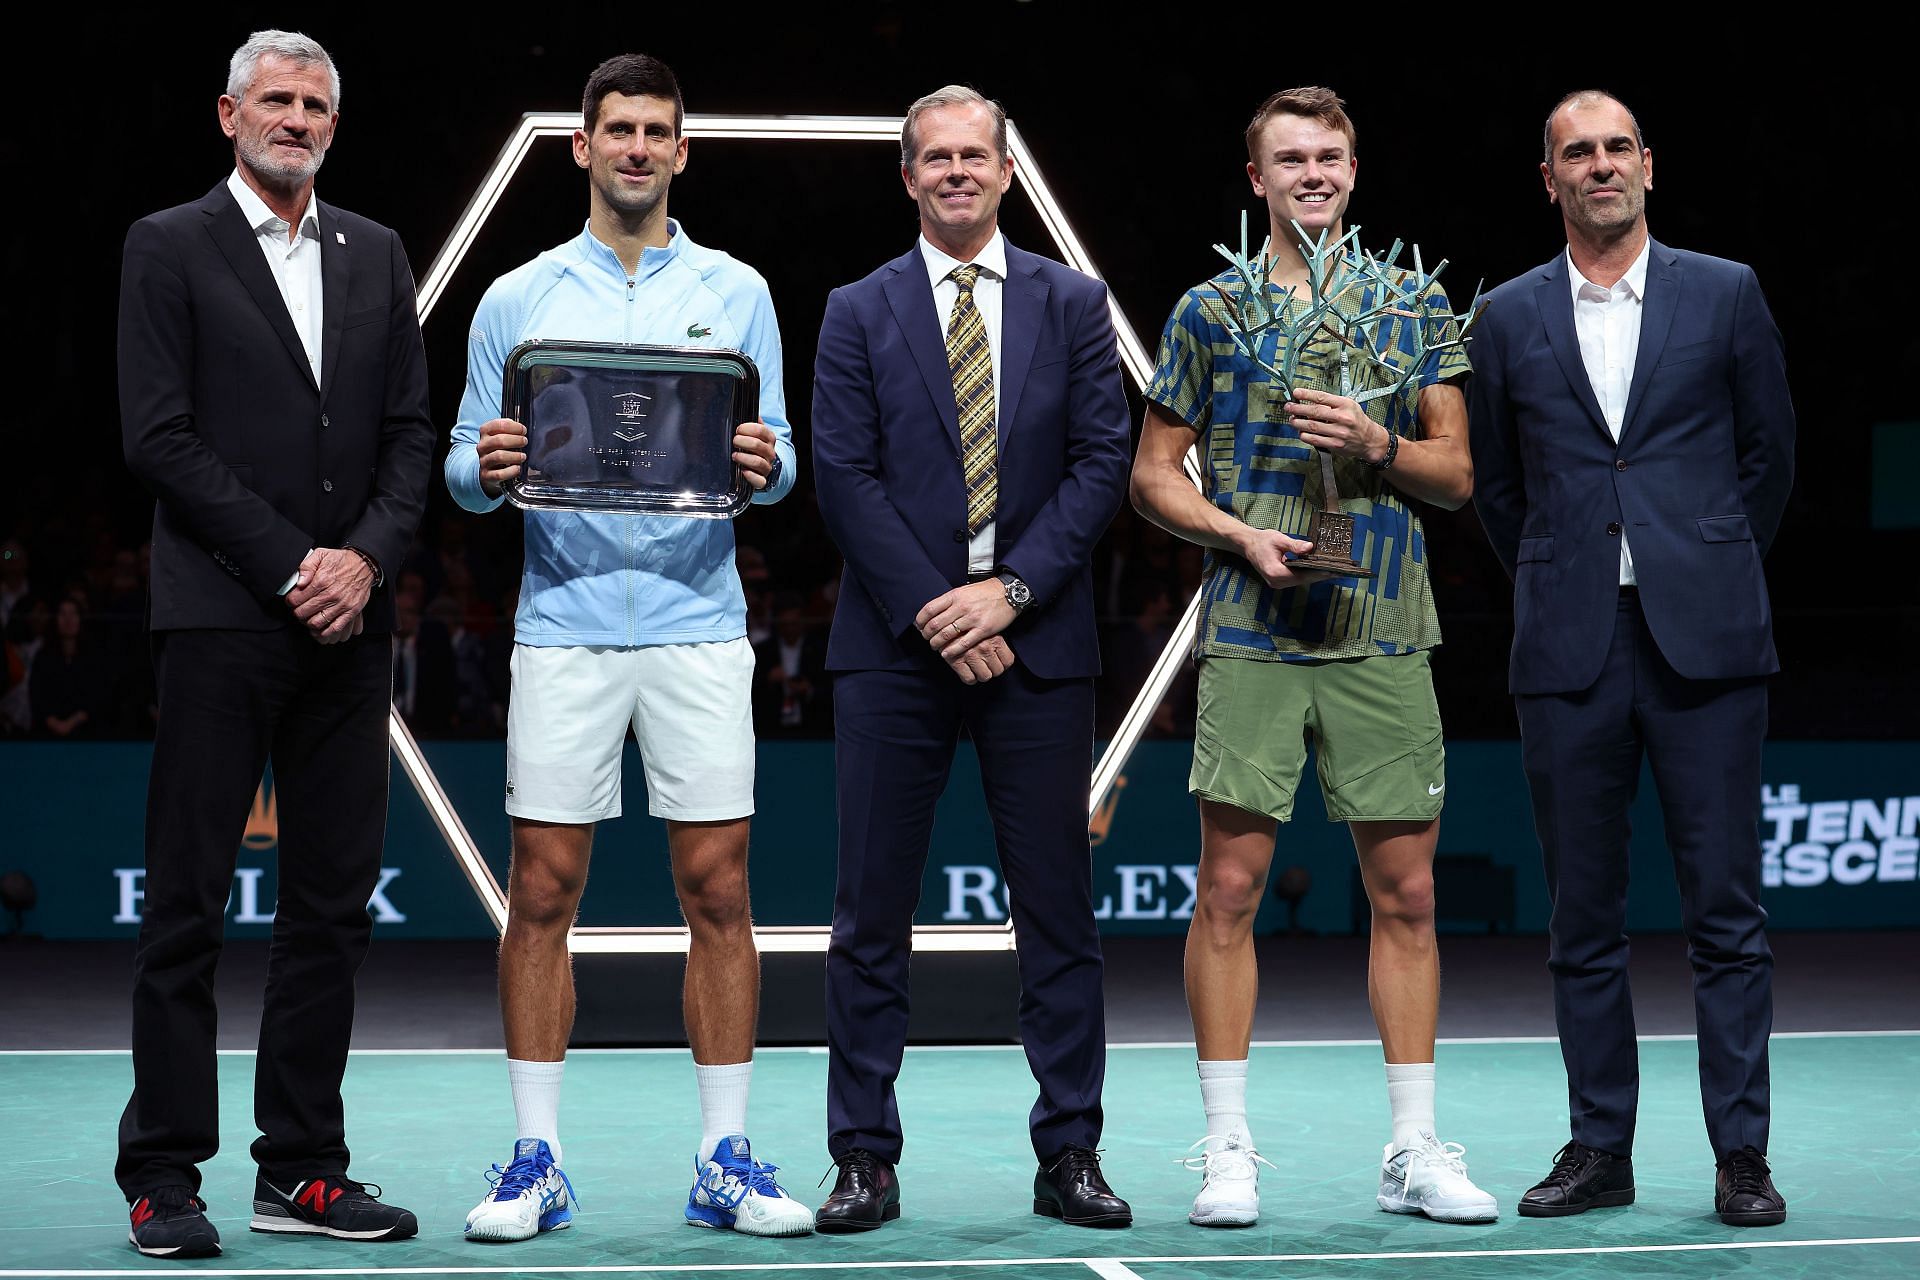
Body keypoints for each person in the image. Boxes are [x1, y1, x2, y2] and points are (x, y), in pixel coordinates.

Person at [445, 53, 808, 1243]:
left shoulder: (739, 287)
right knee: (542, 890)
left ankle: (723, 1157)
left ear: (682, 151)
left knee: (720, 890)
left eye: (658, 130)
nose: (638, 148)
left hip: (700, 628)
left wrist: (769, 466)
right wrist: (485, 473)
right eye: (619, 130)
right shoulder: (517, 297)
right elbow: (463, 461)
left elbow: (780, 452)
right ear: (582, 148)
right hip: (565, 628)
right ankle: (535, 1159)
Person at [1130, 86, 1498, 1228]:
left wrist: (1380, 441)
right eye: (1289, 158)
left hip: (1383, 625)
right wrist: (1236, 532)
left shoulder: (1411, 302)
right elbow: (1152, 474)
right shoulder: (1210, 309)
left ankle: (1413, 1148)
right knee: (1230, 888)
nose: (1313, 172)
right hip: (1252, 625)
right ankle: (1229, 1148)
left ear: (1354, 168)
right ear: (1257, 180)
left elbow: (1457, 474)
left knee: (1410, 893)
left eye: (1330, 154)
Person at [115, 28, 432, 1258]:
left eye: (314, 105)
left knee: (330, 908)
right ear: (229, 114)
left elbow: (410, 433)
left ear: (333, 128)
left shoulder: (377, 251)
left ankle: (299, 1164)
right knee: (187, 903)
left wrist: (364, 559)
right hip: (220, 615)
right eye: (276, 100)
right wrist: (296, 559)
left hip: (350, 625)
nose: (296, 118)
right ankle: (162, 1174)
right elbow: (158, 435)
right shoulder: (168, 244)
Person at [809, 84, 1133, 1233]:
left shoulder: (1074, 301)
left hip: (1039, 646)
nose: (955, 172)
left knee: (1058, 914)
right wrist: (940, 610)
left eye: (973, 156)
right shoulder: (855, 309)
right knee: (869, 917)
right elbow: (842, 475)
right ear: (908, 177)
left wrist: (1008, 594)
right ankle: (862, 1156)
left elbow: (1104, 462)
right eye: (933, 158)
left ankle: (1072, 1152)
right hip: (894, 652)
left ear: (1006, 171)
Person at [1468, 89, 1794, 1227]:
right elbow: (1498, 491)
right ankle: (1601, 1144)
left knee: (1727, 914)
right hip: (1570, 642)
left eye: (1617, 148)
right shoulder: (1504, 315)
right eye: (1577, 153)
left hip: (1705, 639)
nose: (1600, 165)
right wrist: (1569, 568)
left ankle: (1741, 1155)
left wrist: (1693, 558)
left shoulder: (1727, 291)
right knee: (1582, 917)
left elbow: (1769, 461)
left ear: (1648, 165)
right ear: (1547, 178)